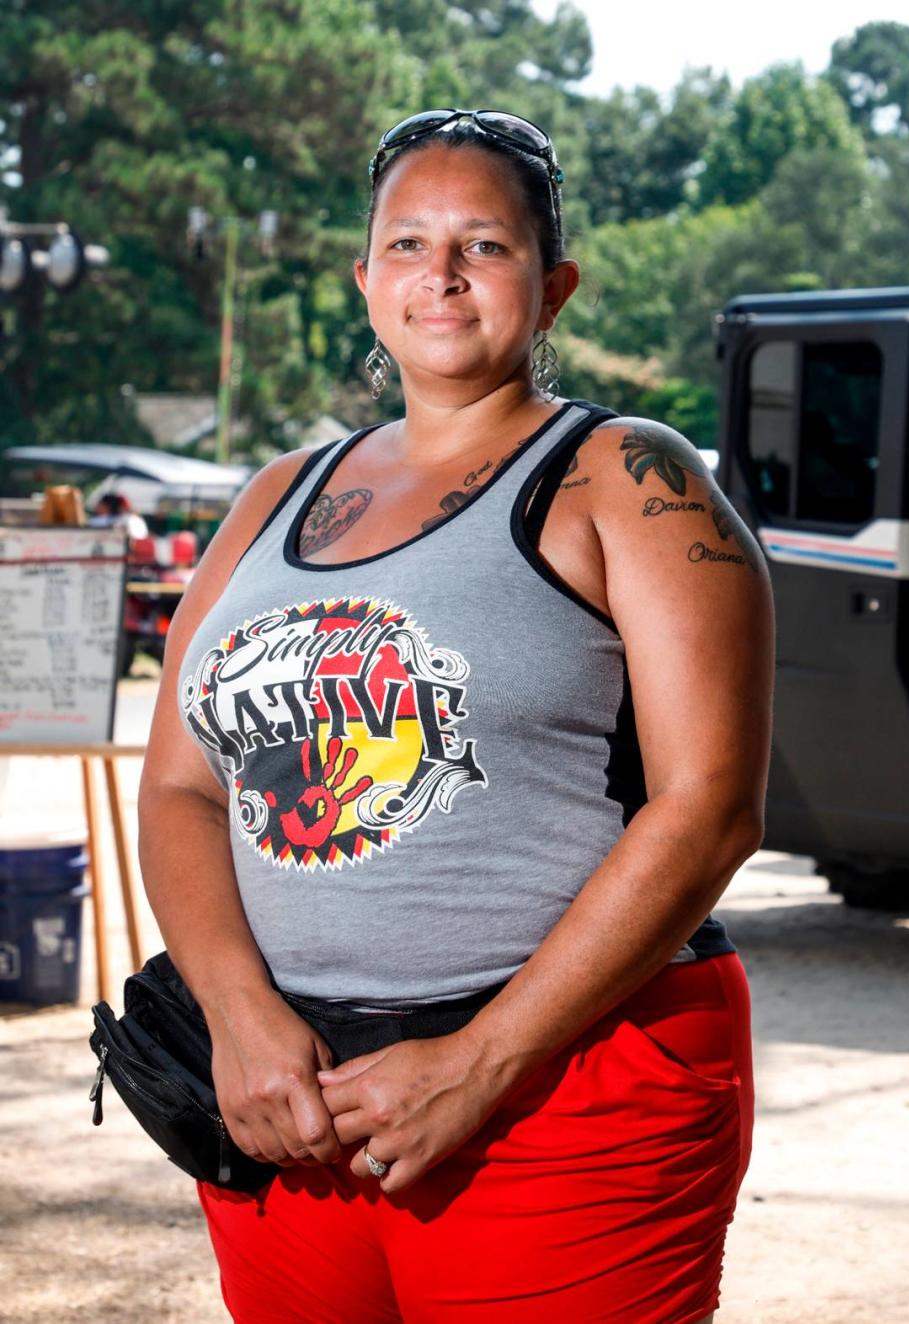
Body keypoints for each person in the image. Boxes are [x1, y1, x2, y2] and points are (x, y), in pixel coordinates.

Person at [139, 107, 775, 1323]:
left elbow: (710, 809)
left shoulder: (629, 480)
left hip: (570, 1085)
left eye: (482, 245)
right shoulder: (280, 491)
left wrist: (484, 1063)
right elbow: (181, 786)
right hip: (293, 1098)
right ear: (365, 278)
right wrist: (238, 1016)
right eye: (408, 243)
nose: (439, 274)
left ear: (555, 287)